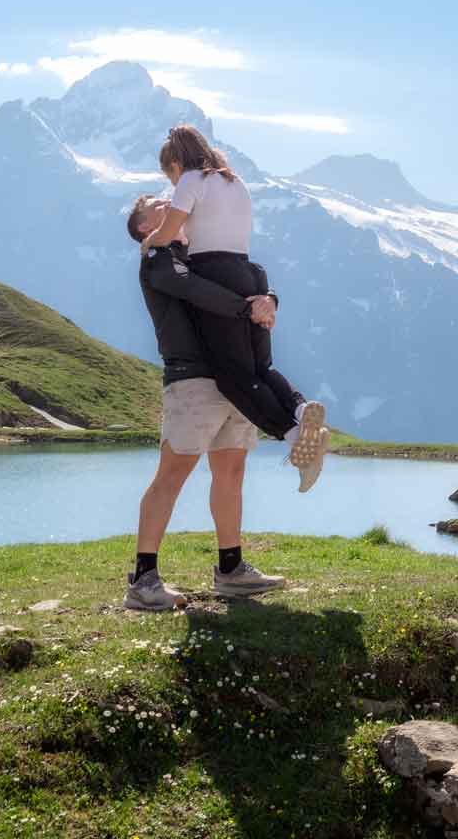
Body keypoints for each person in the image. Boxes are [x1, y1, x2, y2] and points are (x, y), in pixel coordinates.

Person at [124, 198, 292, 611]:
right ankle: (142, 580)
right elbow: (193, 290)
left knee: (231, 470)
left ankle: (230, 570)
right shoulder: (157, 259)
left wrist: (267, 295)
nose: (174, 202)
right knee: (173, 473)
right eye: (158, 204)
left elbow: (244, 279)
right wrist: (245, 306)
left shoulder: (198, 255)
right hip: (192, 378)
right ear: (146, 229)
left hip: (234, 378)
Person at [135, 125, 329, 481]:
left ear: (176, 164)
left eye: (169, 174)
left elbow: (168, 232)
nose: (171, 183)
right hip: (248, 272)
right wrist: (265, 297)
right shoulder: (235, 182)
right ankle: (302, 411)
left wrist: (149, 244)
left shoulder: (191, 181)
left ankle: (293, 436)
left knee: (232, 377)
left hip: (215, 273)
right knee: (262, 367)